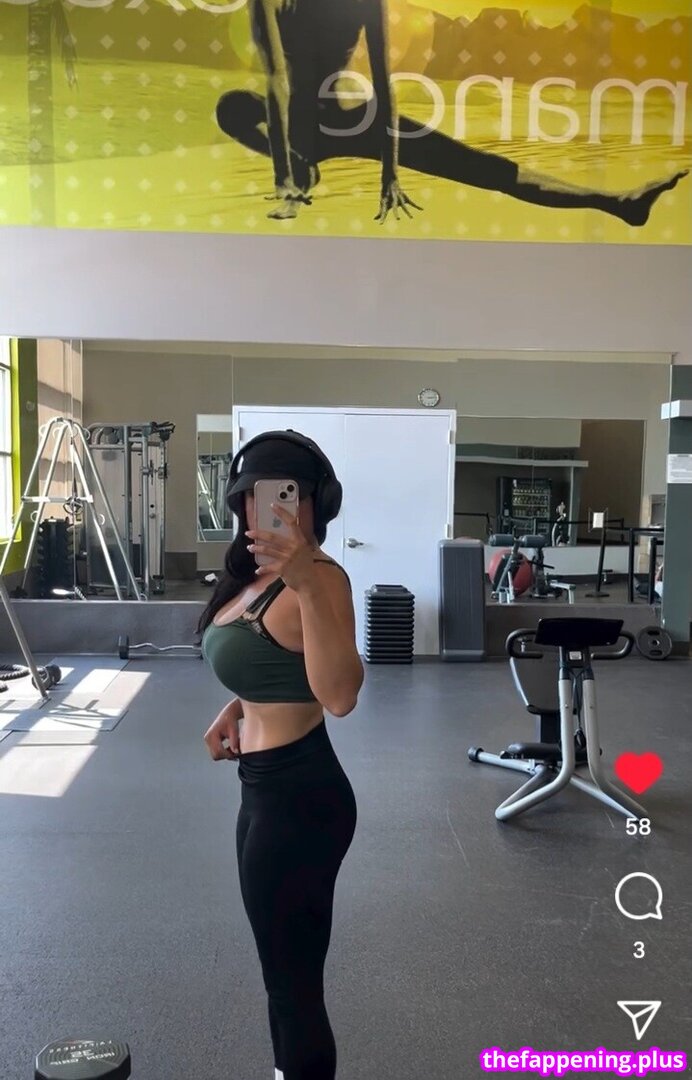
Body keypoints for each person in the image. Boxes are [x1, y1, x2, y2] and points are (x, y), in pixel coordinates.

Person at [199, 430, 363, 1080]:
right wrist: (239, 704)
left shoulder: (320, 581)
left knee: (294, 987)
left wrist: (308, 584)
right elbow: (276, 662)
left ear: (319, 504)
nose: (263, 511)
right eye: (251, 497)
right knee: (279, 975)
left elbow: (340, 694)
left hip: (301, 798)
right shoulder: (253, 576)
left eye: (284, 496)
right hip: (261, 788)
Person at [216, 0, 688, 223]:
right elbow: (275, 81)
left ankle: (616, 204)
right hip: (321, 129)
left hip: (347, 122)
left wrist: (388, 172)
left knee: (488, 171)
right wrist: (288, 168)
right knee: (231, 107)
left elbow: (378, 83)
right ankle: (616, 204)